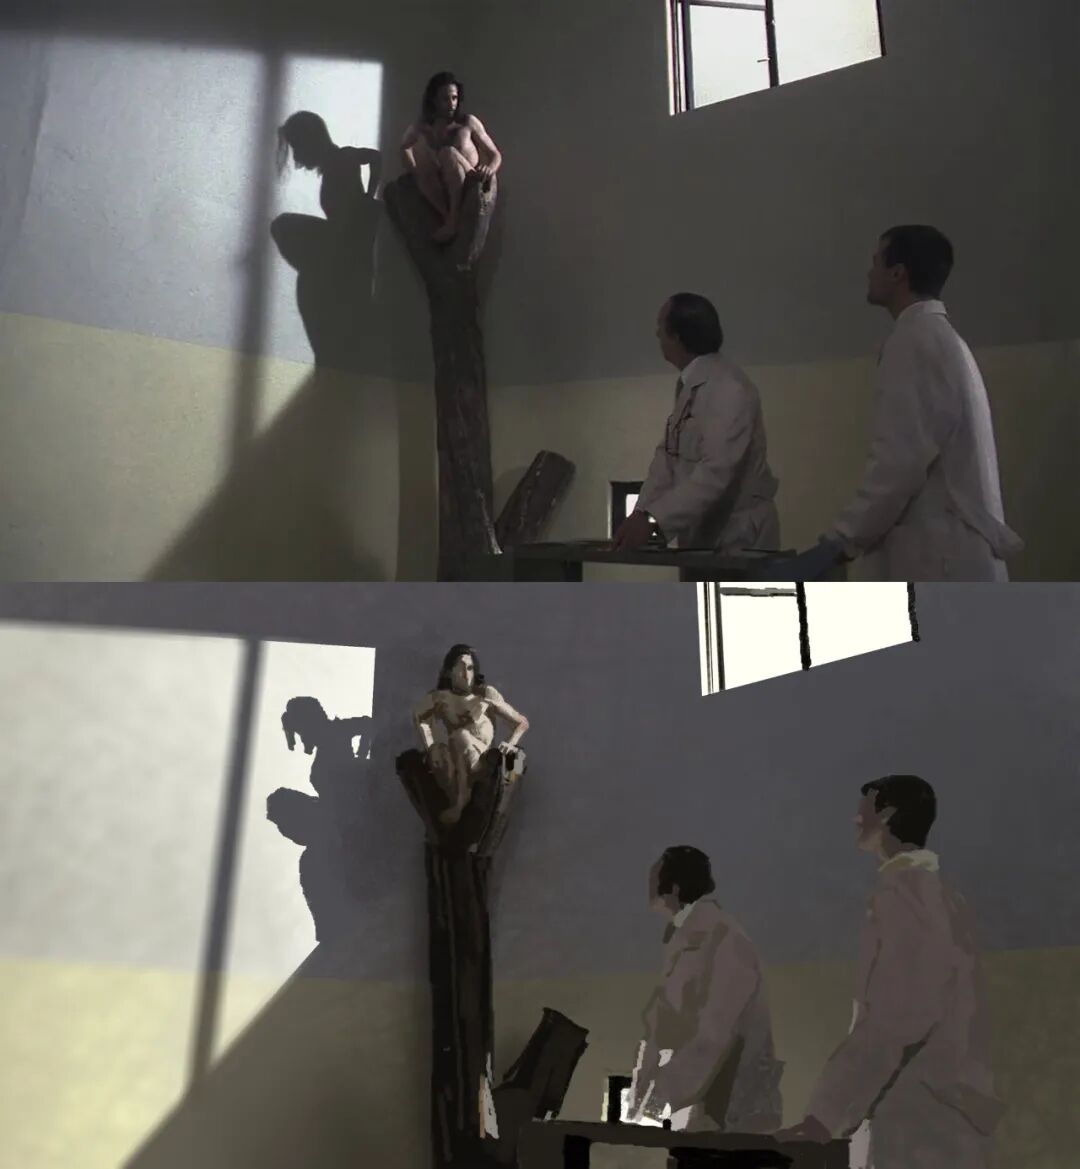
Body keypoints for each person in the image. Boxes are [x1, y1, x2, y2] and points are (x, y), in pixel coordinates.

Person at [777, 775, 1002, 1168]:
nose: (855, 819)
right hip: (941, 1117)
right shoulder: (943, 896)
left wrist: (823, 1116)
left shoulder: (905, 894)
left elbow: (898, 1017)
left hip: (919, 1121)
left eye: (863, 810)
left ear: (887, 816)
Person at [795, 226, 1022, 582]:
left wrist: (839, 542)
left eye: (876, 262)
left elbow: (897, 463)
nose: (869, 272)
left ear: (897, 273)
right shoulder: (940, 337)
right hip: (951, 554)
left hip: (939, 561)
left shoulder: (914, 341)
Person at [611, 294, 780, 579]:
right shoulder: (691, 385)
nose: (657, 335)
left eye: (661, 328)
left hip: (737, 537)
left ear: (677, 336)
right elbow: (667, 458)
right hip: (705, 537)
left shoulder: (728, 387)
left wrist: (654, 519)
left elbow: (716, 471)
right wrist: (641, 514)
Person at [628, 846, 783, 1133]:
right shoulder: (684, 938)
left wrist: (658, 1099)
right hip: (698, 1110)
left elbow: (715, 1033)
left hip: (733, 1112)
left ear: (673, 887)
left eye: (653, 878)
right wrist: (643, 1095)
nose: (647, 887)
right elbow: (662, 1026)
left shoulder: (725, 938)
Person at [413, 644, 529, 825]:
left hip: (482, 760)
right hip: (457, 763)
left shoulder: (485, 694)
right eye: (460, 668)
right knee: (439, 751)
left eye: (470, 668)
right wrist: (430, 745)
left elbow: (522, 722)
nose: (466, 674)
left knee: (461, 736)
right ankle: (456, 801)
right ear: (449, 671)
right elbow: (419, 716)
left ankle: (461, 803)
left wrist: (510, 743)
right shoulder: (441, 698)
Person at [400, 71, 502, 242]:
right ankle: (448, 217)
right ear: (434, 100)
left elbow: (495, 154)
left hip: (470, 177)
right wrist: (414, 169)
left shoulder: (468, 122)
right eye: (445, 99)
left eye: (454, 98)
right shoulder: (425, 126)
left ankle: (453, 220)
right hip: (444, 183)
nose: (451, 104)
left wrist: (489, 169)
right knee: (423, 171)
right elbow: (404, 146)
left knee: (447, 153)